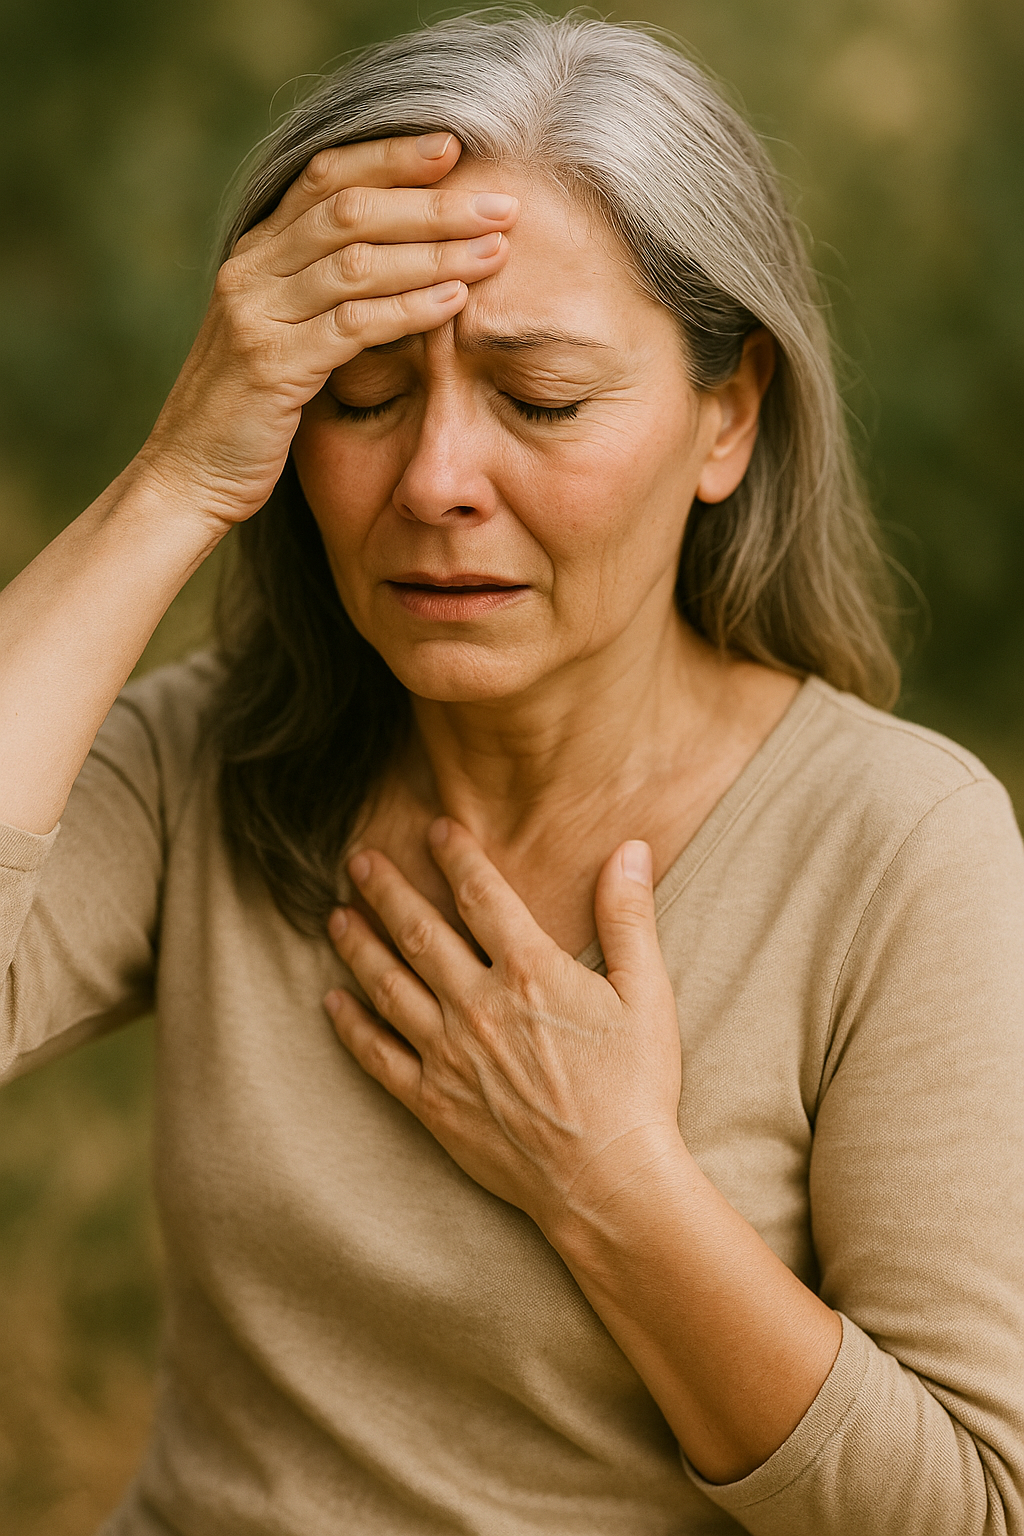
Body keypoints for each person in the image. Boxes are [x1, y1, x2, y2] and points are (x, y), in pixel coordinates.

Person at [1, 11, 1022, 1535]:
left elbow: (968, 1508)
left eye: (540, 399)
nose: (433, 482)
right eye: (359, 395)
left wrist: (613, 1186)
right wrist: (177, 482)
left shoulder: (897, 847)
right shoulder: (211, 758)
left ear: (727, 415)